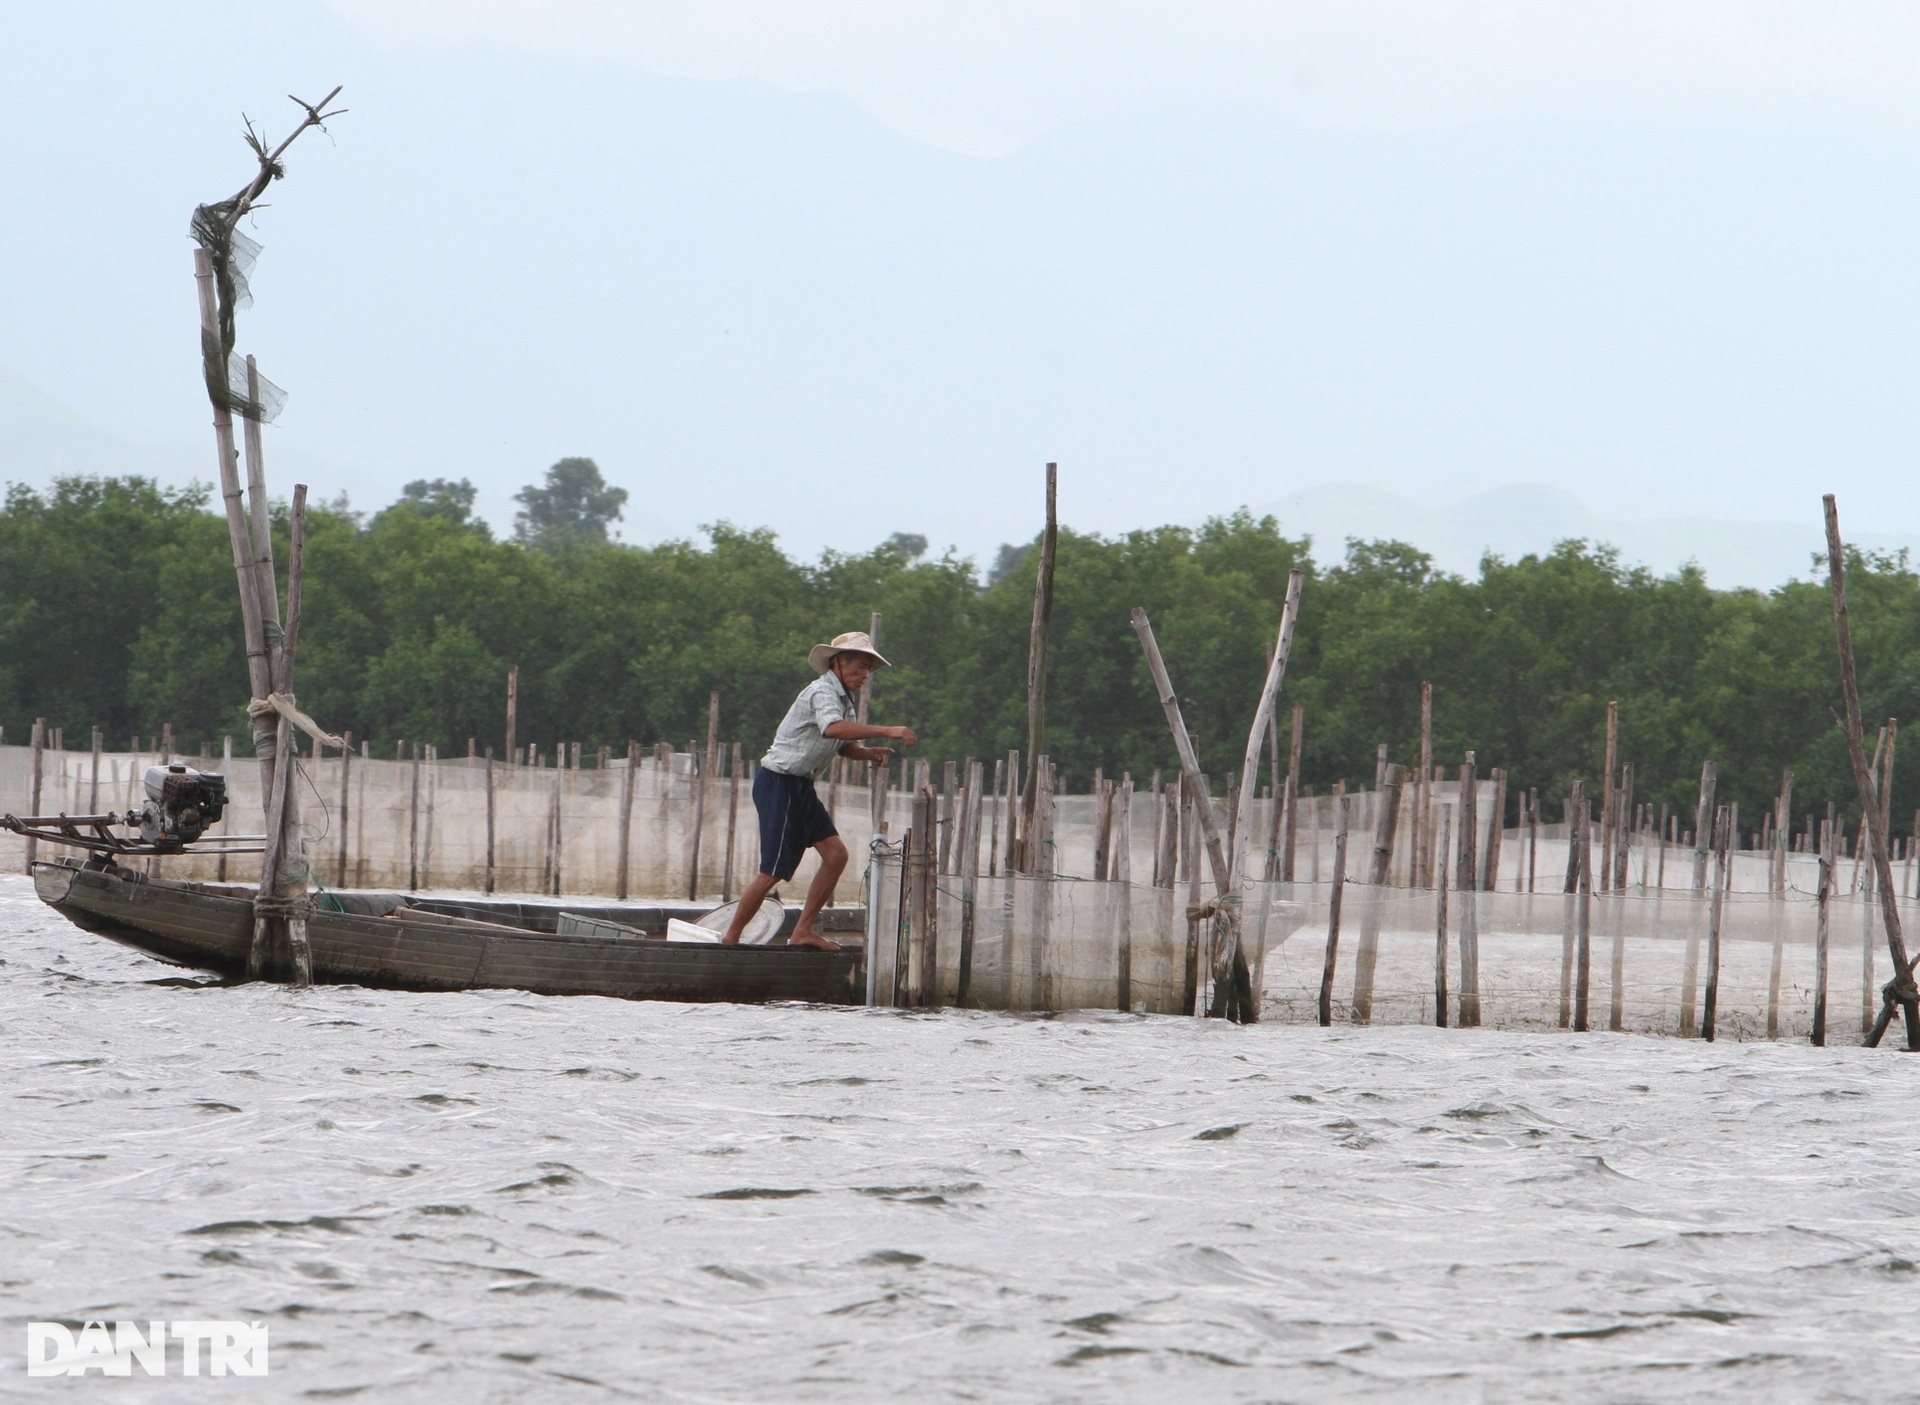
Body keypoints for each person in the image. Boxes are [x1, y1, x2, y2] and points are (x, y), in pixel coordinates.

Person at [722, 630, 916, 949]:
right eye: (861, 666)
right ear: (839, 662)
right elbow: (831, 729)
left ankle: (802, 931)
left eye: (869, 669)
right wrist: (887, 730)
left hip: (800, 786)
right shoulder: (822, 692)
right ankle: (730, 941)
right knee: (772, 871)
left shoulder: (844, 701)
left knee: (836, 855)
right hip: (778, 784)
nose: (866, 675)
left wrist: (867, 752)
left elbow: (842, 743)